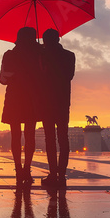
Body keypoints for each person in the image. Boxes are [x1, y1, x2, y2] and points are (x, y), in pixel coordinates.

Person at [0, 27, 43, 186]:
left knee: (15, 136)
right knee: (30, 135)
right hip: (32, 98)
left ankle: (18, 170)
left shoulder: (9, 55)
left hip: (14, 98)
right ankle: (27, 169)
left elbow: (2, 80)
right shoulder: (39, 54)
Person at [40, 28, 75, 188]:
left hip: (46, 102)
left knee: (50, 139)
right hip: (63, 102)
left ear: (45, 41)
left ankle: (53, 173)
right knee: (63, 137)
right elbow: (69, 76)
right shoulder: (69, 55)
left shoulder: (43, 56)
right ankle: (62, 174)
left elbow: (39, 77)